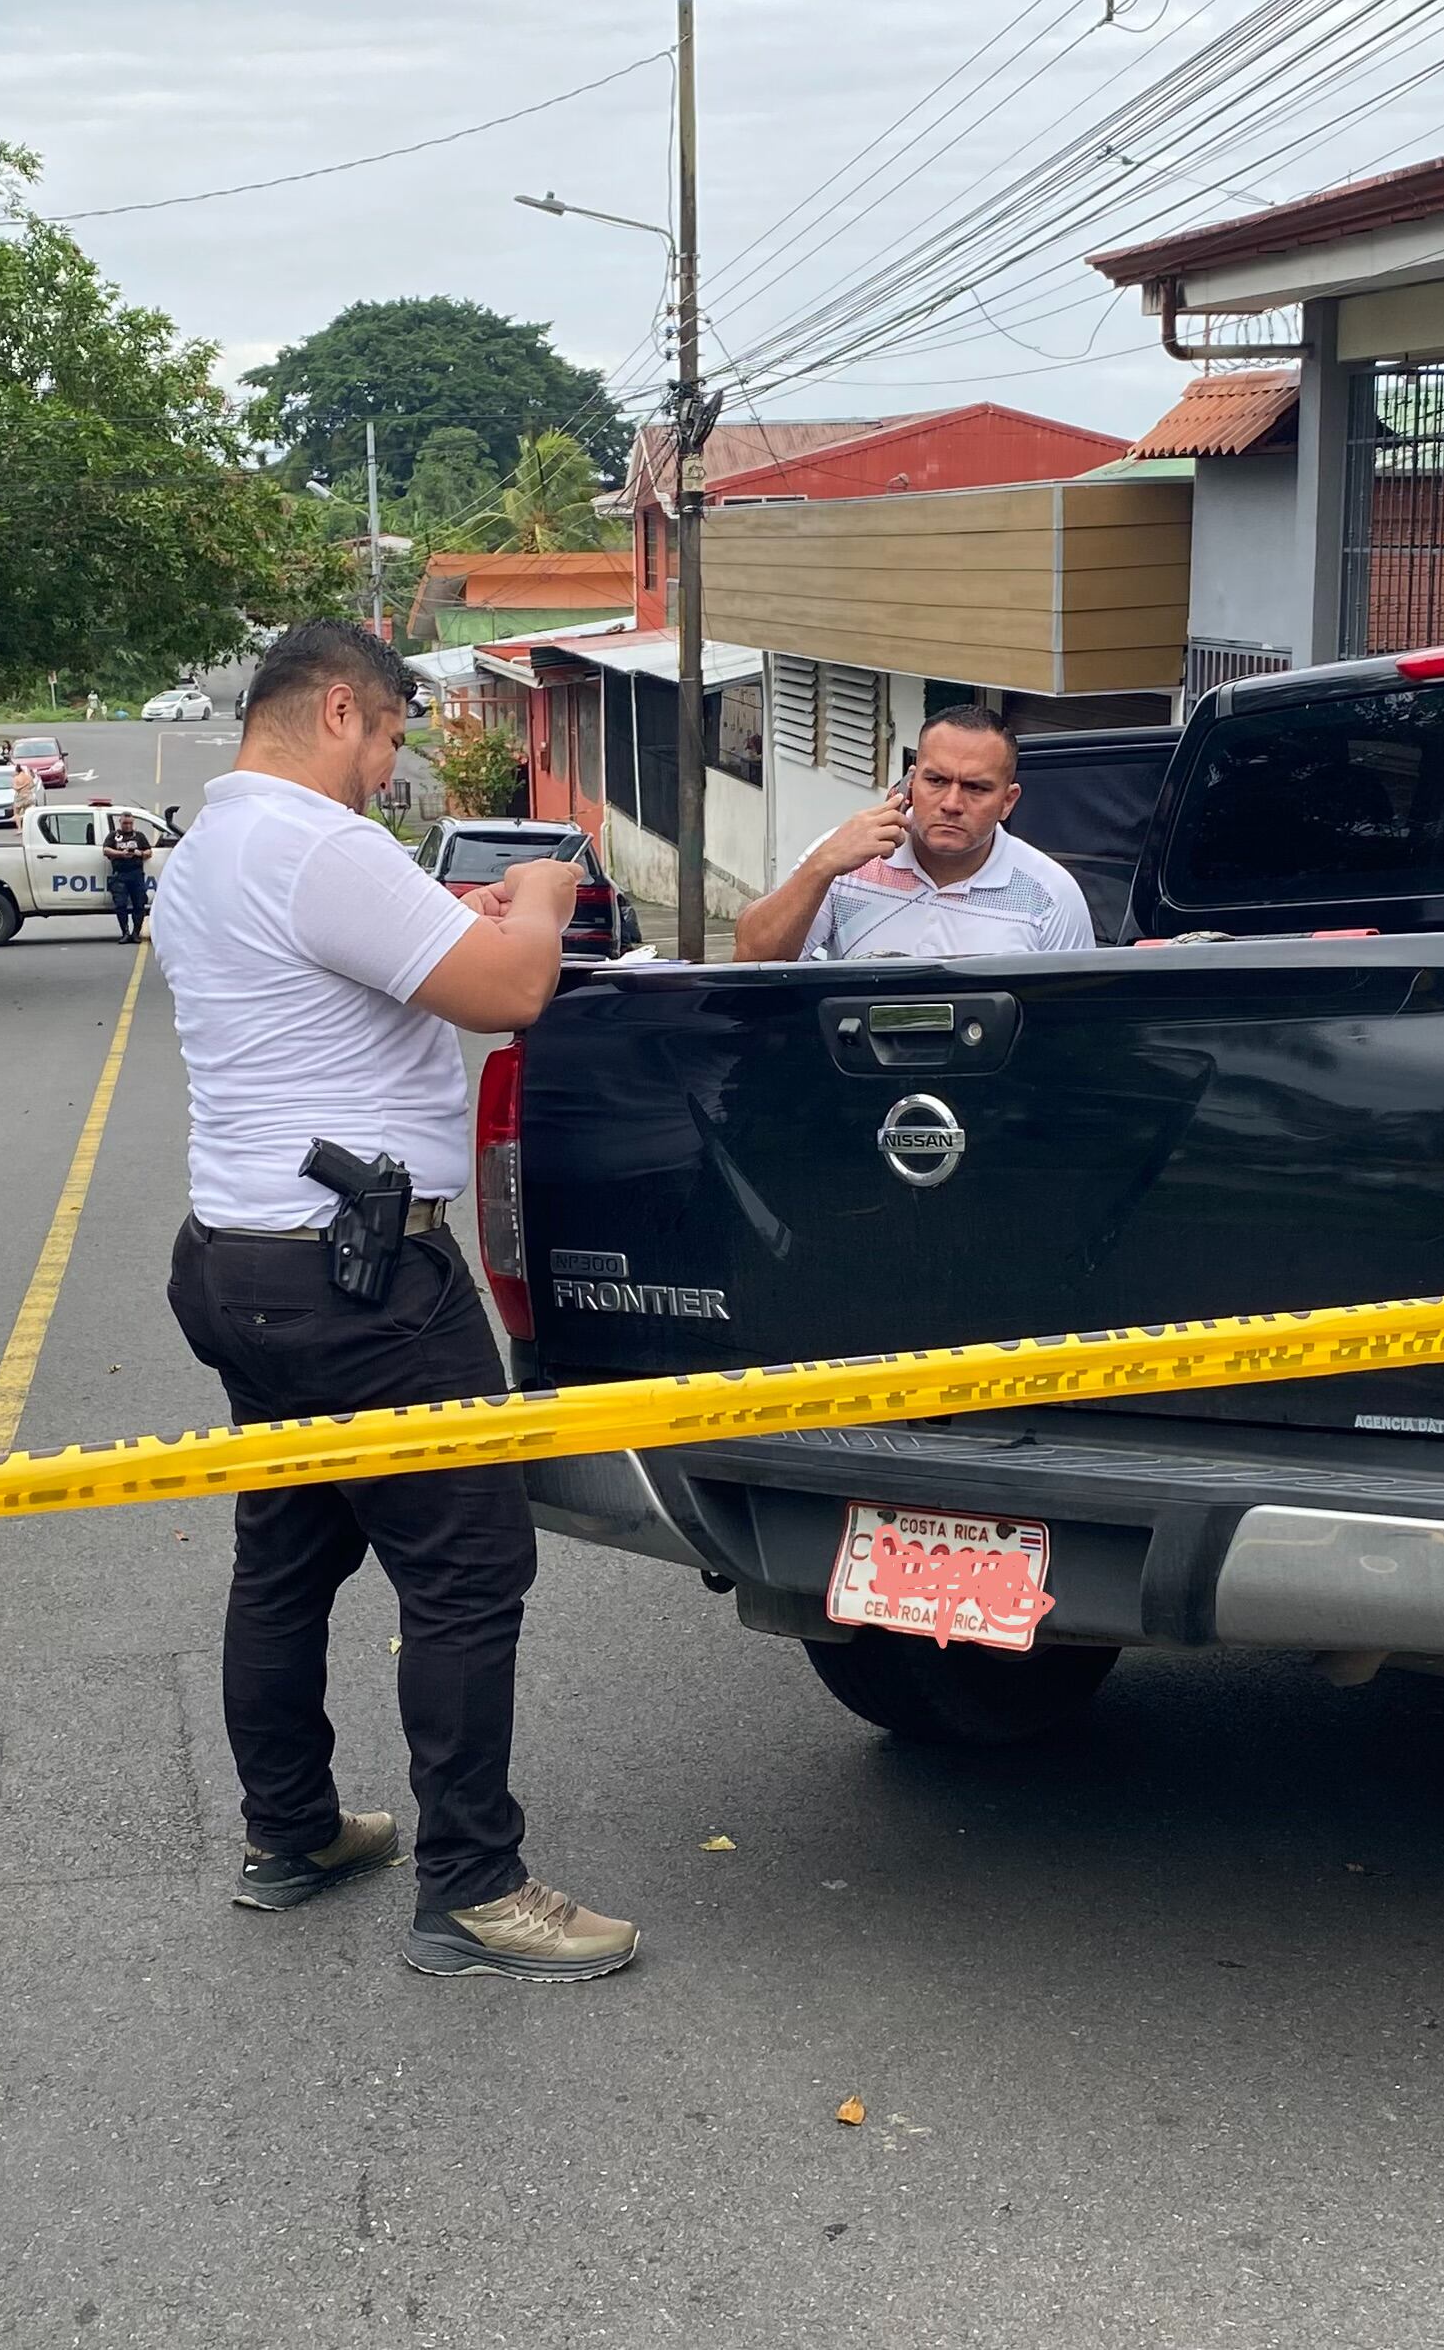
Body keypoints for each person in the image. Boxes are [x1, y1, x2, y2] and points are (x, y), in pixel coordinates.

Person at [149, 617, 640, 1983]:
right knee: (469, 1569)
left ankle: (291, 1833)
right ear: (342, 711)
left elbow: (358, 971)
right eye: (392, 735)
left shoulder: (210, 852)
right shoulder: (319, 843)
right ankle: (475, 1886)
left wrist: (458, 919)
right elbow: (514, 991)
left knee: (291, 1551)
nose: (394, 764)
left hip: (242, 1258)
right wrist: (536, 900)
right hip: (363, 1274)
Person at [730, 704, 1098, 961]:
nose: (952, 803)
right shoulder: (846, 860)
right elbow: (751, 960)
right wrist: (822, 865)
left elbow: (1072, 1024)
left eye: (976, 788)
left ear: (1008, 801)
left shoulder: (1050, 895)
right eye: (936, 780)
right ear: (911, 782)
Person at [100, 808, 155, 944]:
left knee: (139, 904)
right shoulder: (114, 836)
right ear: (120, 822)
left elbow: (149, 851)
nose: (128, 826)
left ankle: (136, 933)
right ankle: (125, 932)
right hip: (120, 875)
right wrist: (121, 854)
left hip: (136, 874)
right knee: (120, 905)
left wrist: (139, 853)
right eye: (125, 823)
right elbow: (106, 850)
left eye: (130, 823)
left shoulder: (139, 836)